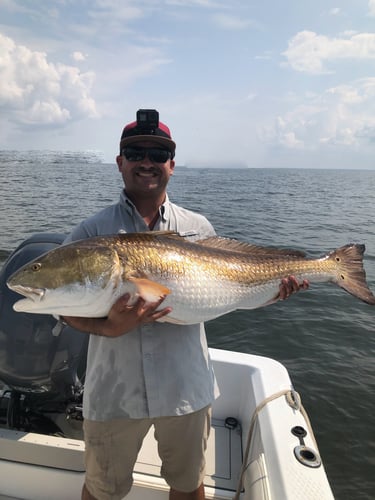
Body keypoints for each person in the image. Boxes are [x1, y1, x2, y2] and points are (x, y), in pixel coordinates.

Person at [62, 109, 308, 500]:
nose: (147, 162)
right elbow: (64, 306)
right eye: (136, 152)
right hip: (112, 392)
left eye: (158, 154)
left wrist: (272, 291)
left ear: (172, 165)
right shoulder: (91, 232)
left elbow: (230, 291)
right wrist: (107, 328)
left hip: (185, 390)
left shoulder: (198, 228)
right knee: (101, 489)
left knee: (188, 485)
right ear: (120, 163)